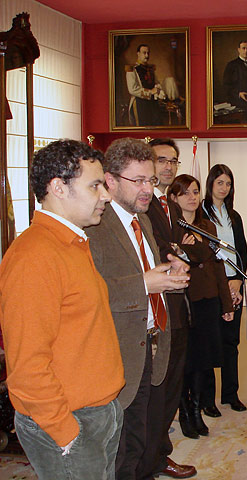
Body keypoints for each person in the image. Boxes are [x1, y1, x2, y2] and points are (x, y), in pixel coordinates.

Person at [0, 140, 125, 480]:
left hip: (98, 411)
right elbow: (26, 366)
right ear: (58, 187)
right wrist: (65, 432)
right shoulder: (34, 256)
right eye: (95, 185)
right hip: (68, 421)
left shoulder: (72, 242)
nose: (106, 196)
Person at [85, 138, 190, 480]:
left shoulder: (141, 219)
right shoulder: (93, 227)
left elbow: (147, 273)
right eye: (139, 181)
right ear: (111, 180)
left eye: (151, 180)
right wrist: (146, 283)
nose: (148, 189)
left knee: (143, 441)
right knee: (121, 452)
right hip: (118, 353)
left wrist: (169, 273)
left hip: (151, 345)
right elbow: (91, 293)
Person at [168, 175, 234, 439]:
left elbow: (216, 263)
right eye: (185, 193)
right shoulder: (170, 228)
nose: (192, 197)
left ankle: (196, 409)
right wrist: (194, 251)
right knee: (185, 360)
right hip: (184, 301)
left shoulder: (207, 226)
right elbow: (189, 256)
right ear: (173, 198)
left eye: (195, 192)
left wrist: (226, 303)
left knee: (204, 360)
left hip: (208, 299)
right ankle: (184, 410)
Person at [146, 138, 197, 478]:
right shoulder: (142, 204)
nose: (168, 166)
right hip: (155, 307)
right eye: (161, 160)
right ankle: (151, 458)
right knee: (157, 391)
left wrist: (178, 249)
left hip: (178, 306)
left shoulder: (171, 206)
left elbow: (188, 250)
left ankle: (160, 454)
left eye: (173, 161)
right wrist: (177, 249)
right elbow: (161, 248)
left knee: (172, 387)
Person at [202, 164, 247, 414]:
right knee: (210, 342)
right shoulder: (200, 213)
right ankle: (207, 400)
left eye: (228, 184)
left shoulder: (234, 216)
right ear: (210, 183)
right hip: (212, 284)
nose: (224, 188)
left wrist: (238, 280)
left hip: (234, 283)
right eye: (220, 182)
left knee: (231, 341)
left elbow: (242, 251)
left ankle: (231, 394)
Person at [126, 44, 166, 126]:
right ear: (138, 53)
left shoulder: (150, 69)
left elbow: (156, 82)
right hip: (139, 104)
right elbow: (132, 89)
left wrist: (158, 89)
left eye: (148, 53)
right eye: (144, 53)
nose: (147, 55)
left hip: (152, 103)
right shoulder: (132, 69)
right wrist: (150, 92)